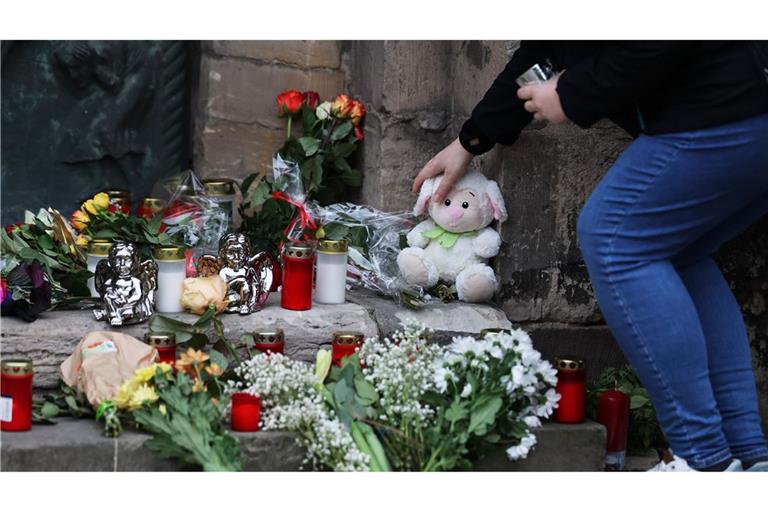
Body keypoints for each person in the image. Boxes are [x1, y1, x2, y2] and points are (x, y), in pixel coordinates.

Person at [413, 41, 768, 472]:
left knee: (615, 238)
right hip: (746, 112)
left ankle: (702, 459)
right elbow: (545, 47)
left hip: (725, 109)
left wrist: (572, 92)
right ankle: (747, 456)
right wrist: (470, 139)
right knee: (684, 253)